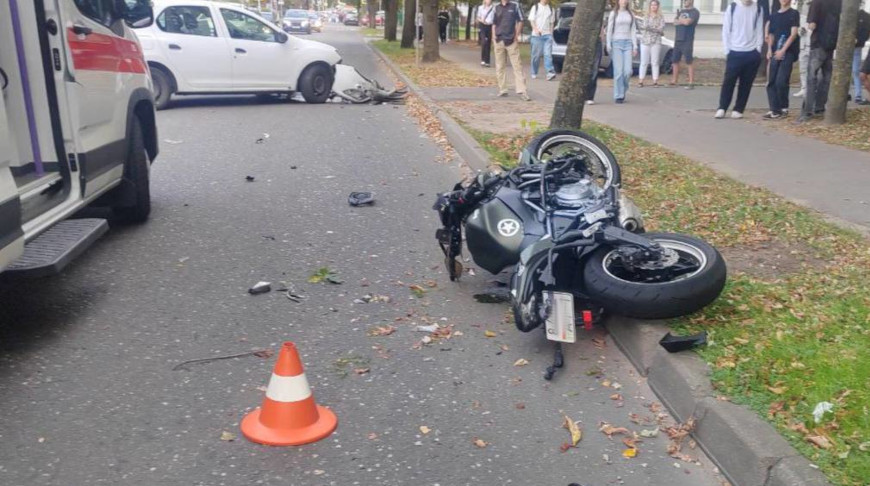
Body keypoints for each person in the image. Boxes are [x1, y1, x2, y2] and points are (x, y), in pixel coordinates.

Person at [715, 0, 764, 119]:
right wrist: (727, 50)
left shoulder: (758, 9)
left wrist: (758, 49)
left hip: (751, 52)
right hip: (734, 51)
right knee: (729, 81)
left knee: (746, 84)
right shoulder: (732, 7)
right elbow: (726, 29)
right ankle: (722, 107)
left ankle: (738, 109)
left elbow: (759, 30)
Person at [797, 0, 841, 123]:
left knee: (811, 78)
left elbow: (812, 25)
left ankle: (807, 111)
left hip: (818, 44)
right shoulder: (839, 3)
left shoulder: (817, 2)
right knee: (826, 78)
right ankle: (819, 107)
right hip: (831, 45)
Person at [763, 0, 800, 119]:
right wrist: (769, 49)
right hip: (775, 51)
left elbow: (793, 34)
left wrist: (783, 50)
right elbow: (771, 34)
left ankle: (783, 107)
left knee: (781, 81)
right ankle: (774, 109)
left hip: (787, 52)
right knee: (771, 81)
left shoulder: (793, 13)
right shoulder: (774, 16)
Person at [492, 0, 530, 101]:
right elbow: (494, 23)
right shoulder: (496, 7)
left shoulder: (515, 5)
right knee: (500, 66)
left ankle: (522, 90)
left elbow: (520, 21)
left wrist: (516, 35)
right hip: (499, 40)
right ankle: (502, 89)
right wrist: (493, 36)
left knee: (517, 66)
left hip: (511, 40)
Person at [606, 0, 638, 104]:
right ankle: (618, 95)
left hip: (628, 43)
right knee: (618, 71)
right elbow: (609, 29)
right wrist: (608, 43)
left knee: (628, 71)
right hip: (616, 43)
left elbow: (633, 30)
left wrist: (635, 46)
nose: (624, 1)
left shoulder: (630, 14)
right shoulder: (614, 13)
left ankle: (623, 89)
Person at [671, 0, 700, 89]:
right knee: (675, 60)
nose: (685, 1)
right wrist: (682, 21)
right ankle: (674, 81)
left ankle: (691, 82)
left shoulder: (695, 12)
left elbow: (688, 22)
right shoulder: (681, 11)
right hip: (678, 39)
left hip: (687, 40)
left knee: (689, 61)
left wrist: (680, 21)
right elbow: (674, 22)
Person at [639, 0, 665, 87]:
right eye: (652, 5)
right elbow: (645, 27)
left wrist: (653, 29)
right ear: (649, 6)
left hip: (656, 41)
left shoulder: (661, 17)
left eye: (655, 5)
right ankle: (641, 80)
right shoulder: (646, 16)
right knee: (644, 62)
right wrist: (655, 28)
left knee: (655, 62)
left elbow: (661, 29)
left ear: (658, 6)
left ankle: (655, 81)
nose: (653, 6)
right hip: (645, 41)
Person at [529, 0, 556, 80]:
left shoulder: (551, 9)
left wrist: (551, 34)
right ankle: (534, 72)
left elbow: (552, 23)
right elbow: (532, 20)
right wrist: (536, 30)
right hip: (536, 36)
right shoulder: (535, 7)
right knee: (536, 56)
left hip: (547, 35)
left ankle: (550, 72)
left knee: (548, 54)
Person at [851, 4, 870, 104]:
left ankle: (858, 95)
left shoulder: (865, 16)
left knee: (857, 72)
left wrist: (859, 40)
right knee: (860, 73)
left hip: (857, 47)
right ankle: (857, 95)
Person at [794, 22, 810, 97]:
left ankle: (813, 89)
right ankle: (804, 88)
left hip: (812, 47)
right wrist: (801, 31)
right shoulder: (802, 18)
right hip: (803, 47)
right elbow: (799, 32)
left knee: (813, 70)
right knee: (802, 70)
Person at [477, 0, 495, 67]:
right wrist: (482, 20)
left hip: (490, 26)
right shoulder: (480, 7)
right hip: (482, 26)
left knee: (488, 43)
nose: (488, 1)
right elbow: (478, 17)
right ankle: (483, 60)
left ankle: (487, 61)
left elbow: (494, 18)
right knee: (484, 42)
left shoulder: (493, 8)